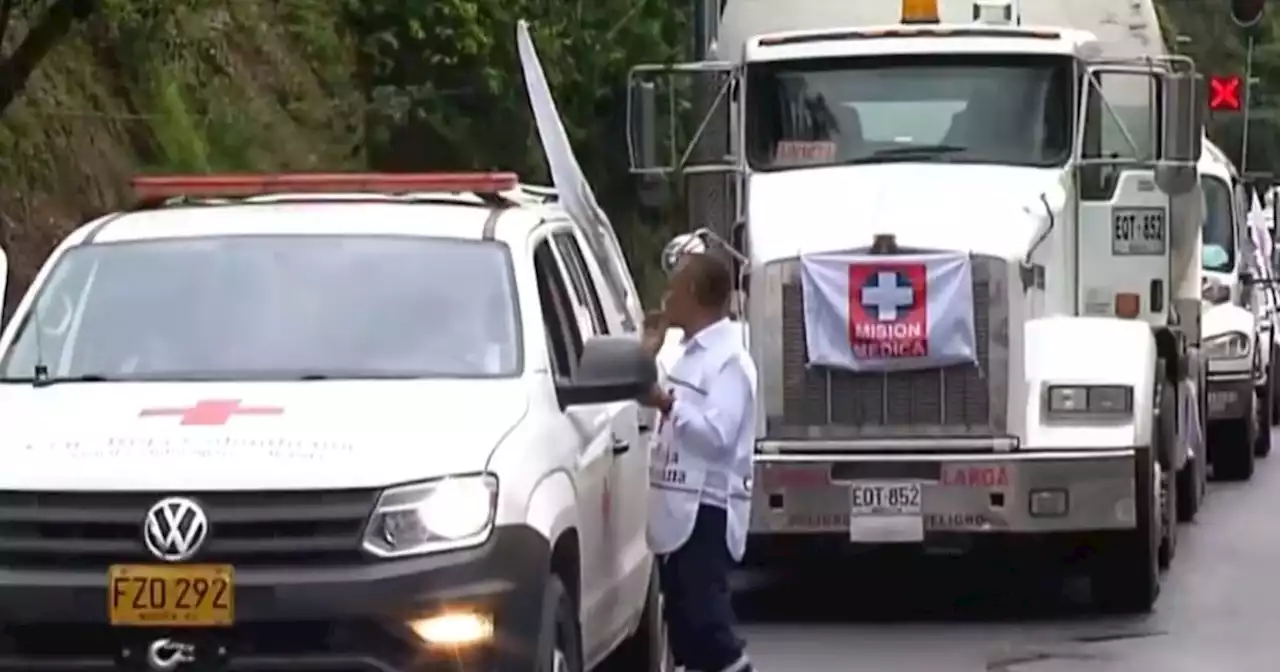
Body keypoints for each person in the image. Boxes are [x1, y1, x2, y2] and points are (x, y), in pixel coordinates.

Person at [640, 253, 758, 672]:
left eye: (673, 286)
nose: (665, 296)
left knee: (710, 629)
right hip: (676, 512)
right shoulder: (686, 355)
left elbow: (717, 438)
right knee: (686, 634)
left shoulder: (728, 361)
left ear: (692, 293)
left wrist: (668, 404)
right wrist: (647, 355)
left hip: (706, 511)